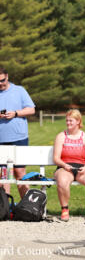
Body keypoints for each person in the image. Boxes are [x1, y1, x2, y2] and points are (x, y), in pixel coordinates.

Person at [53, 109, 85, 222]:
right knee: (63, 181)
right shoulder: (61, 136)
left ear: (78, 121)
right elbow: (56, 158)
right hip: (65, 167)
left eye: (71, 121)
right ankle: (64, 209)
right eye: (67, 121)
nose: (68, 123)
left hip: (82, 167)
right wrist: (64, 165)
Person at [0, 68, 35, 197]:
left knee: (19, 171)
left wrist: (15, 113)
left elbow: (31, 109)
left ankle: (26, 205)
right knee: (3, 174)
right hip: (1, 139)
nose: (0, 83)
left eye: (2, 80)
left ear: (7, 76)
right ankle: (4, 208)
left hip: (19, 137)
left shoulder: (19, 90)